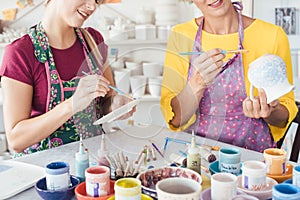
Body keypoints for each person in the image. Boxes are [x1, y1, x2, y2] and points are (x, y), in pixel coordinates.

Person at [160, 0, 298, 152]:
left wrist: (270, 111)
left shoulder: (272, 36)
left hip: (253, 160)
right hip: (198, 156)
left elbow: (283, 118)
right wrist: (197, 83)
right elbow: (176, 120)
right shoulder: (181, 35)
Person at [0, 0, 133, 156]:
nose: (92, 7)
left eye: (97, 1)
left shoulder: (94, 41)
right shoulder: (21, 53)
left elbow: (105, 102)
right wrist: (71, 105)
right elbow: (16, 140)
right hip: (48, 173)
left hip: (94, 164)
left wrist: (114, 105)